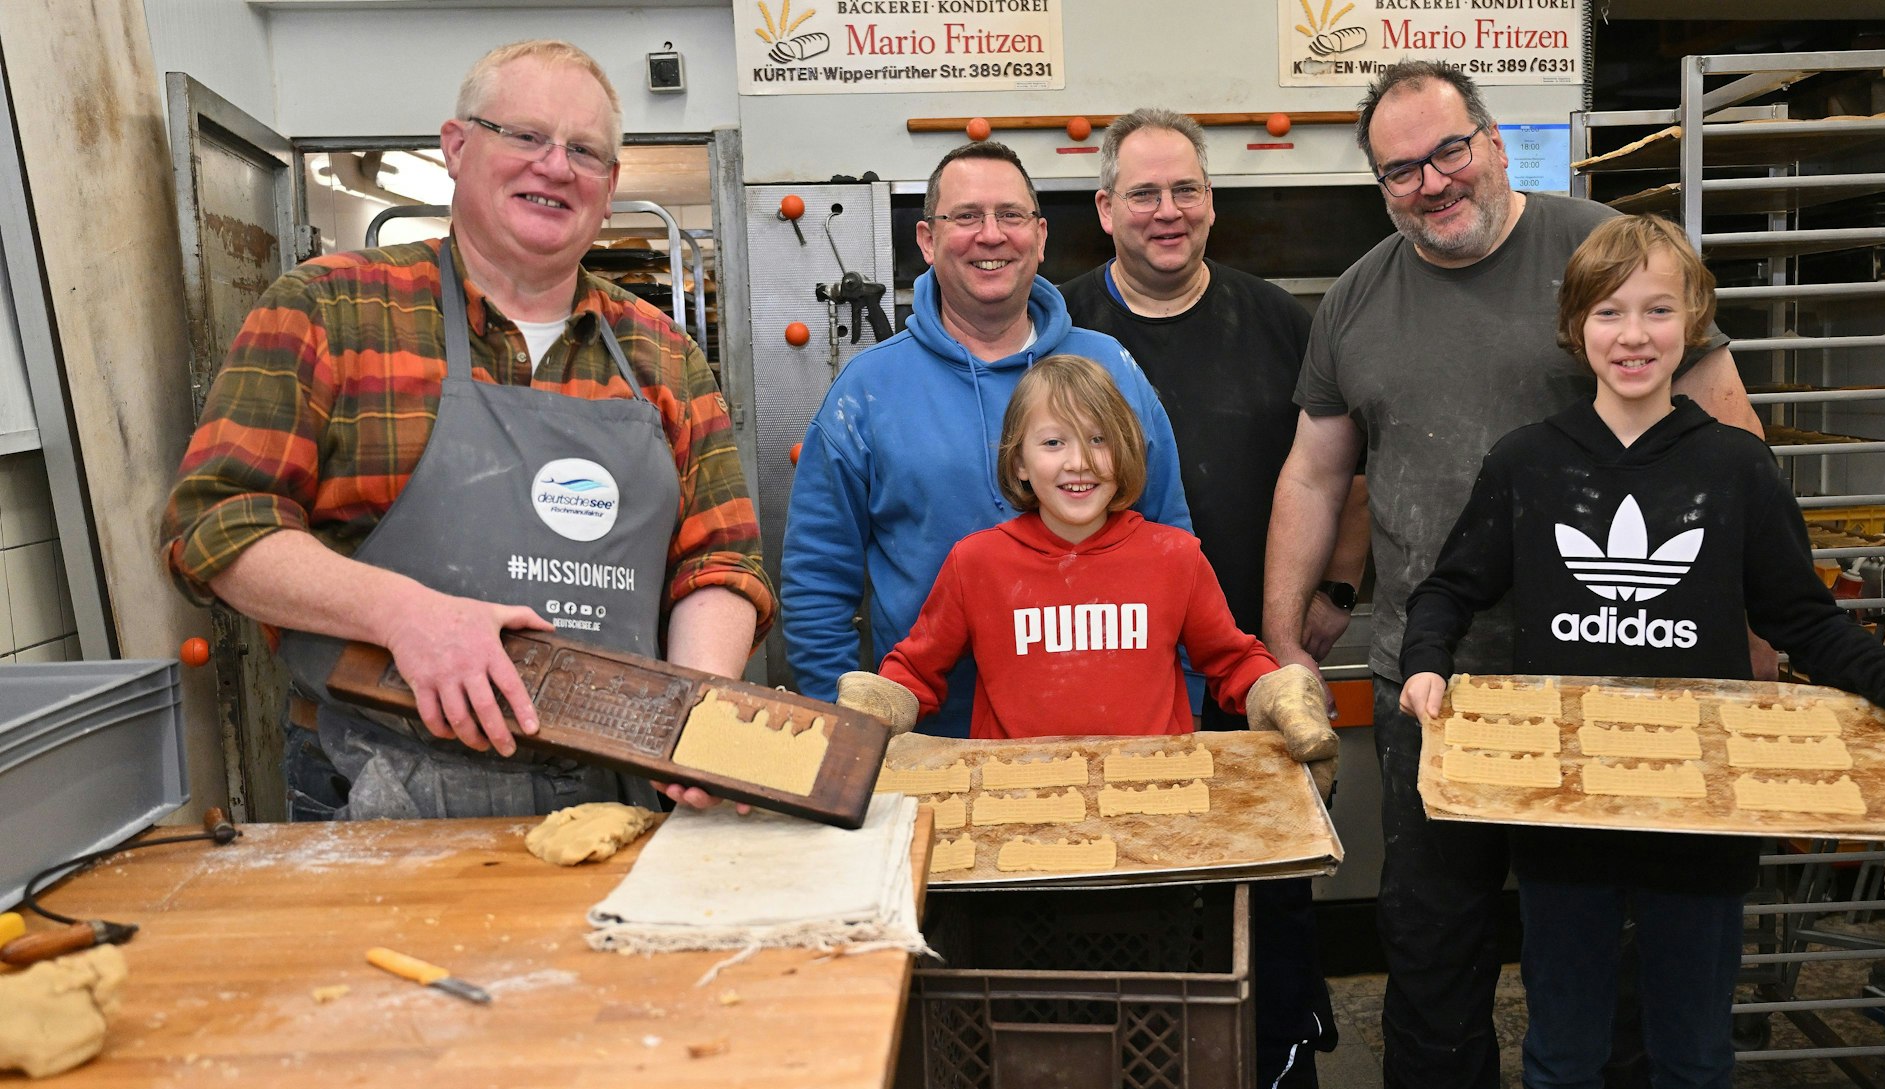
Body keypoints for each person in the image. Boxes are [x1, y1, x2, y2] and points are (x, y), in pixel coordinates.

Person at [1262, 60, 1763, 1089]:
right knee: (1432, 938)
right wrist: (1284, 643)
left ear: (1492, 142)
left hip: (1608, 683)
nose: (1430, 181)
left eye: (1447, 150)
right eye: (1399, 169)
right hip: (1428, 688)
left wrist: (1754, 637)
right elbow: (1314, 473)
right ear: (1378, 186)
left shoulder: (1601, 255)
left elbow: (1729, 440)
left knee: (1609, 941)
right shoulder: (1355, 296)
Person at [1398, 213, 1885, 1089]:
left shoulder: (1734, 467)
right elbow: (1449, 590)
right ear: (1577, 324)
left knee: (1694, 1067)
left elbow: (1802, 616)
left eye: (1659, 310)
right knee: (1561, 1062)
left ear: (1692, 321)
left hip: (1702, 812)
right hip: (1561, 808)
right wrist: (1428, 662)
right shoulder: (1529, 462)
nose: (1634, 335)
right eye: (1611, 311)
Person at [159, 40, 770, 820]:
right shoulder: (330, 309)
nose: (555, 166)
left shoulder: (665, 354)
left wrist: (695, 716)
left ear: (610, 186)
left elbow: (718, 561)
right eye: (525, 135)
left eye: (584, 150)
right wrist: (407, 614)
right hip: (380, 776)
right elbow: (216, 526)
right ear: (456, 146)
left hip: (617, 789)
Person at [1058, 108, 1351, 1089]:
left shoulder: (1281, 323)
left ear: (1211, 203)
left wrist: (1332, 595)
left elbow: (1341, 469)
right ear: (1104, 210)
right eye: (1142, 193)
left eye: (1183, 190)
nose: (1166, 211)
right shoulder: (1060, 330)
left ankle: (1279, 1081)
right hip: (1109, 681)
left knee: (1269, 890)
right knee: (1122, 896)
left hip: (1248, 671)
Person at [782, 140, 1192, 737]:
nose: (991, 235)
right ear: (927, 240)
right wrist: (842, 725)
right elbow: (818, 576)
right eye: (966, 216)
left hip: (1113, 729)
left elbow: (1170, 541)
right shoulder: (867, 389)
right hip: (928, 737)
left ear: (1041, 236)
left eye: (1011, 215)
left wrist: (1190, 691)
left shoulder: (1111, 370)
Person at [835, 353, 1335, 767]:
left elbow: (1231, 660)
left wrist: (1276, 692)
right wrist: (879, 706)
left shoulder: (1174, 557)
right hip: (1017, 812)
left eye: (1099, 440)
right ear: (1019, 463)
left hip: (1155, 809)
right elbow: (918, 670)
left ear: (1126, 454)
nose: (1079, 462)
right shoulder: (977, 563)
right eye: (1054, 442)